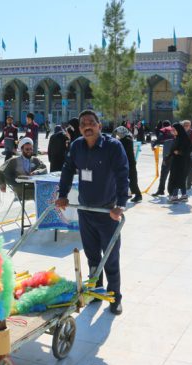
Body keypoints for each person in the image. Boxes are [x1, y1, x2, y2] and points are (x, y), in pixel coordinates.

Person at [56, 109, 129, 315]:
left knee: (111, 258)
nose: (87, 126)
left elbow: (123, 174)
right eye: (83, 124)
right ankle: (96, 292)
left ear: (99, 125)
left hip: (108, 212)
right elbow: (68, 169)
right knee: (92, 256)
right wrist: (63, 194)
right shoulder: (77, 146)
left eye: (91, 122)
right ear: (79, 128)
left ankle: (114, 297)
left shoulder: (113, 147)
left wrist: (121, 204)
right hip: (86, 210)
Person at [114, 126, 142, 203]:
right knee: (126, 179)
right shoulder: (127, 138)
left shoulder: (126, 140)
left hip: (129, 163)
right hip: (127, 162)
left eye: (118, 133)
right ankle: (128, 194)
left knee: (132, 180)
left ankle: (138, 195)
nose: (118, 135)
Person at [167, 123, 192, 203]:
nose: (172, 132)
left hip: (183, 162)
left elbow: (188, 150)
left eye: (174, 130)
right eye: (172, 130)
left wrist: (179, 152)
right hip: (176, 161)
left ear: (178, 130)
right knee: (180, 179)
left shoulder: (185, 139)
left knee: (176, 178)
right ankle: (184, 196)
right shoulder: (177, 138)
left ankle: (174, 196)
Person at [151, 121, 175, 196]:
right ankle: (172, 191)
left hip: (167, 156)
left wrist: (153, 144)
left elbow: (159, 139)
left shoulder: (164, 130)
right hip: (175, 156)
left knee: (164, 174)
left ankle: (161, 190)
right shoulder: (174, 130)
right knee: (173, 175)